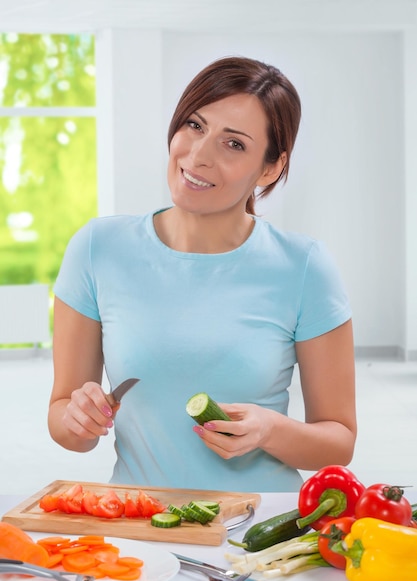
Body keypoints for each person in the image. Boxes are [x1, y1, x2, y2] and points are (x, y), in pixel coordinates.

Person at [48, 56, 356, 493]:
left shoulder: (304, 266)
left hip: (256, 530)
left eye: (234, 144)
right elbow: (64, 423)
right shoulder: (99, 248)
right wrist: (77, 418)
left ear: (269, 168)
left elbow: (339, 441)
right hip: (139, 524)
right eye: (194, 125)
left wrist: (270, 430)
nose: (198, 155)